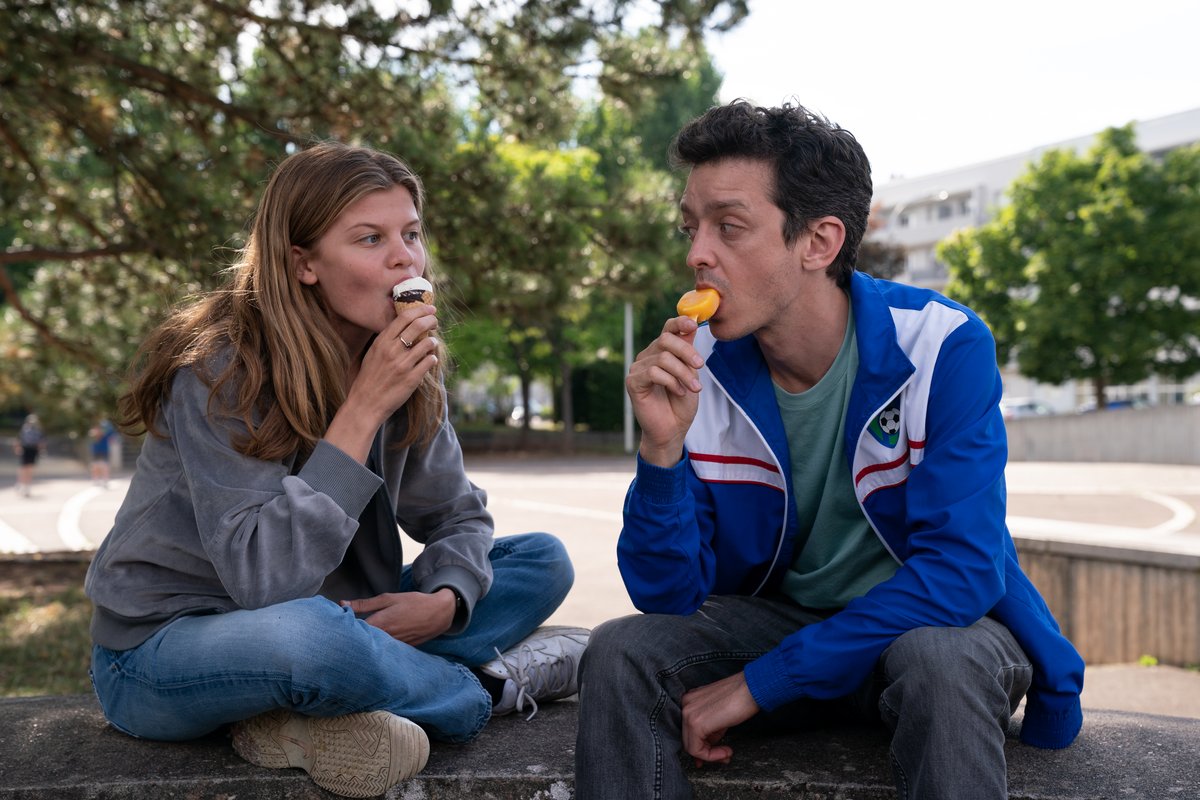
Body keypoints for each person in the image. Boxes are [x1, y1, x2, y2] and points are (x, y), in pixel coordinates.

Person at [575, 100, 1084, 800]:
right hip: (781, 623)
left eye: (729, 227)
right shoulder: (703, 368)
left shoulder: (941, 346)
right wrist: (661, 453)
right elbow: (667, 595)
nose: (697, 253)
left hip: (928, 632)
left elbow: (962, 573)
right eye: (691, 227)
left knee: (941, 658)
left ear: (818, 242)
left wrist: (764, 683)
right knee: (618, 652)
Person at [84, 141, 589, 799]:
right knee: (313, 640)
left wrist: (443, 602)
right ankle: (485, 689)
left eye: (410, 234)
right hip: (163, 650)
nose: (405, 256)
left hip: (342, 618)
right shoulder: (220, 372)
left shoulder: (407, 366)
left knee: (541, 560)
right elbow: (266, 582)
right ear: (304, 265)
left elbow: (458, 516)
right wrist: (362, 409)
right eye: (370, 238)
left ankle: (312, 710)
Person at [14, 413, 44, 497]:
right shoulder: (24, 429)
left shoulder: (38, 431)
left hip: (33, 451)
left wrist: (41, 450)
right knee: (24, 469)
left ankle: (26, 486)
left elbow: (41, 442)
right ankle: (21, 484)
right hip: (25, 449)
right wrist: (18, 448)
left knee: (30, 469)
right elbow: (18, 439)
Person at [88, 418, 114, 487]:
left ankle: (105, 480)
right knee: (95, 467)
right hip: (96, 452)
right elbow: (91, 436)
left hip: (104, 452)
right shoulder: (93, 434)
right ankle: (96, 480)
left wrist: (105, 425)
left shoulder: (105, 434)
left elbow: (111, 431)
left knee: (105, 466)